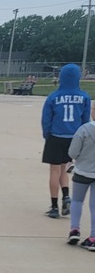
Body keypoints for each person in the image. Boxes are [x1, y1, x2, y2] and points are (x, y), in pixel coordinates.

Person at [40, 63, 91, 218]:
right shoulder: (84, 97)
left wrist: (46, 134)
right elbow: (85, 120)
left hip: (56, 136)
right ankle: (66, 196)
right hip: (73, 137)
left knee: (54, 171)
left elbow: (46, 118)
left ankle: (54, 206)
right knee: (64, 169)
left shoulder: (54, 97)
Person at [66, 103, 95, 249]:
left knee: (77, 200)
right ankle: (93, 237)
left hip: (83, 170)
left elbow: (72, 153)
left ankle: (74, 229)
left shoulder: (84, 129)